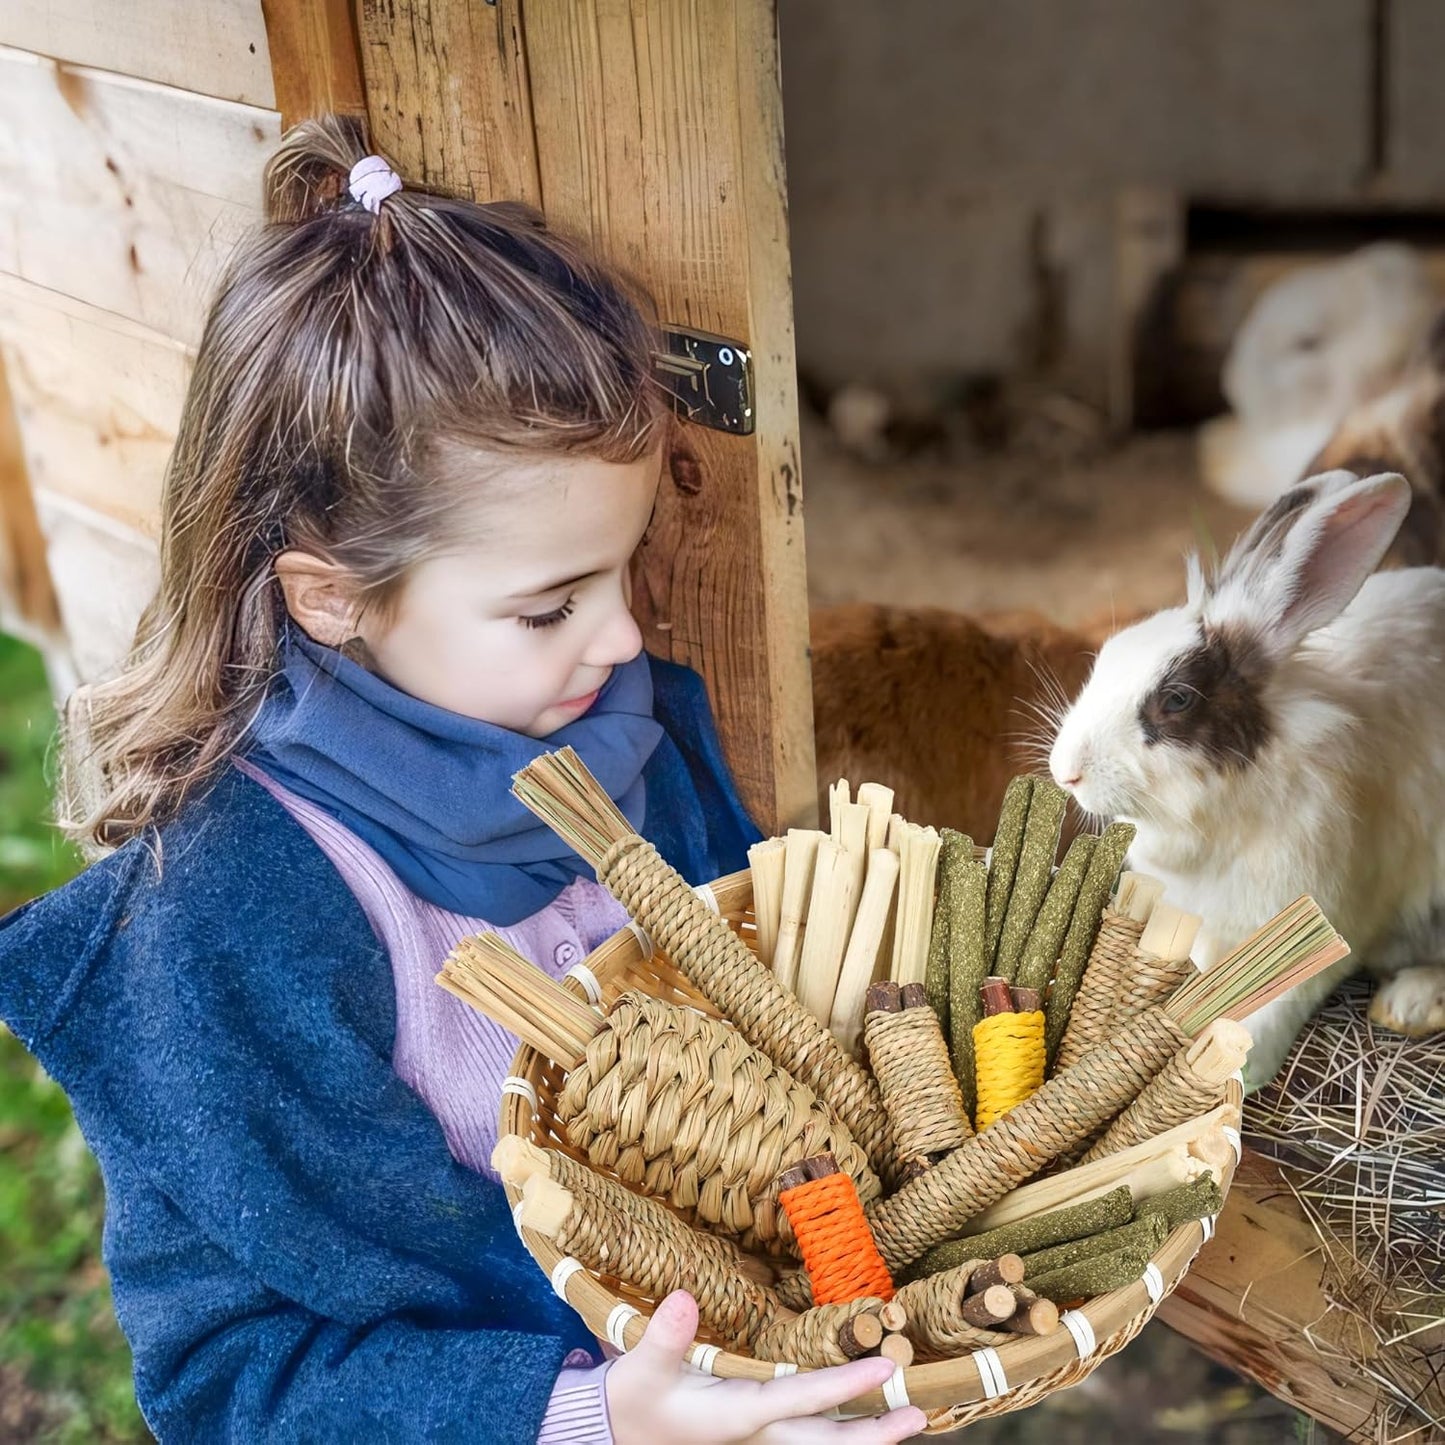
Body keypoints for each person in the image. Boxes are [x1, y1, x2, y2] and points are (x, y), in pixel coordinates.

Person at [0, 117, 925, 1444]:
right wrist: (599, 1419)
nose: (620, 642)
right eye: (548, 606)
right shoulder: (228, 927)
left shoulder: (625, 737)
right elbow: (235, 1379)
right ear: (331, 598)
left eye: (623, 570)